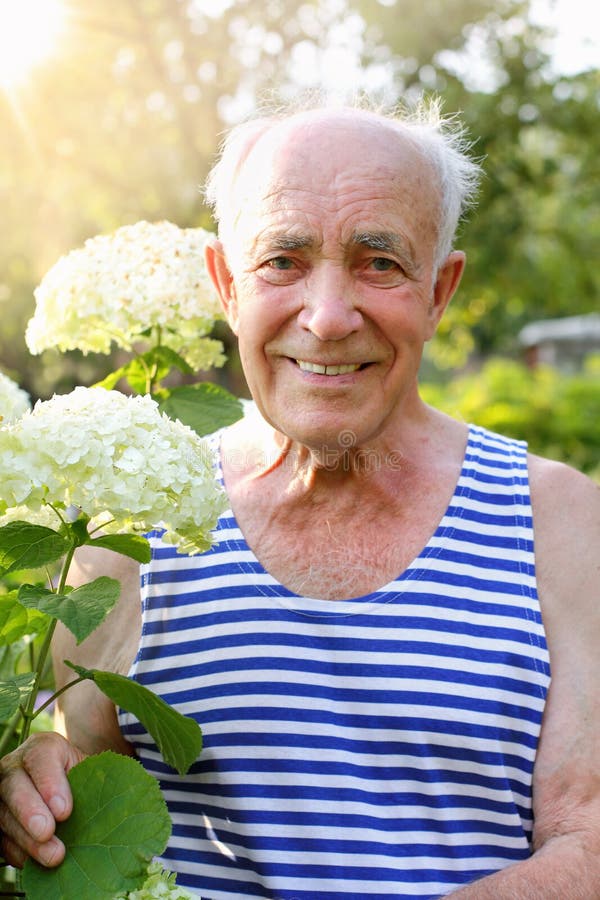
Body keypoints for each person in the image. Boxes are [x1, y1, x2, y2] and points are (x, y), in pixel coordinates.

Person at [1, 98, 600, 899]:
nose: (325, 317)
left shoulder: (559, 522)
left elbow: (588, 845)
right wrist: (44, 789)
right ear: (225, 285)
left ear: (439, 290)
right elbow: (108, 810)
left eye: (379, 262)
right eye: (282, 260)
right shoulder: (127, 528)